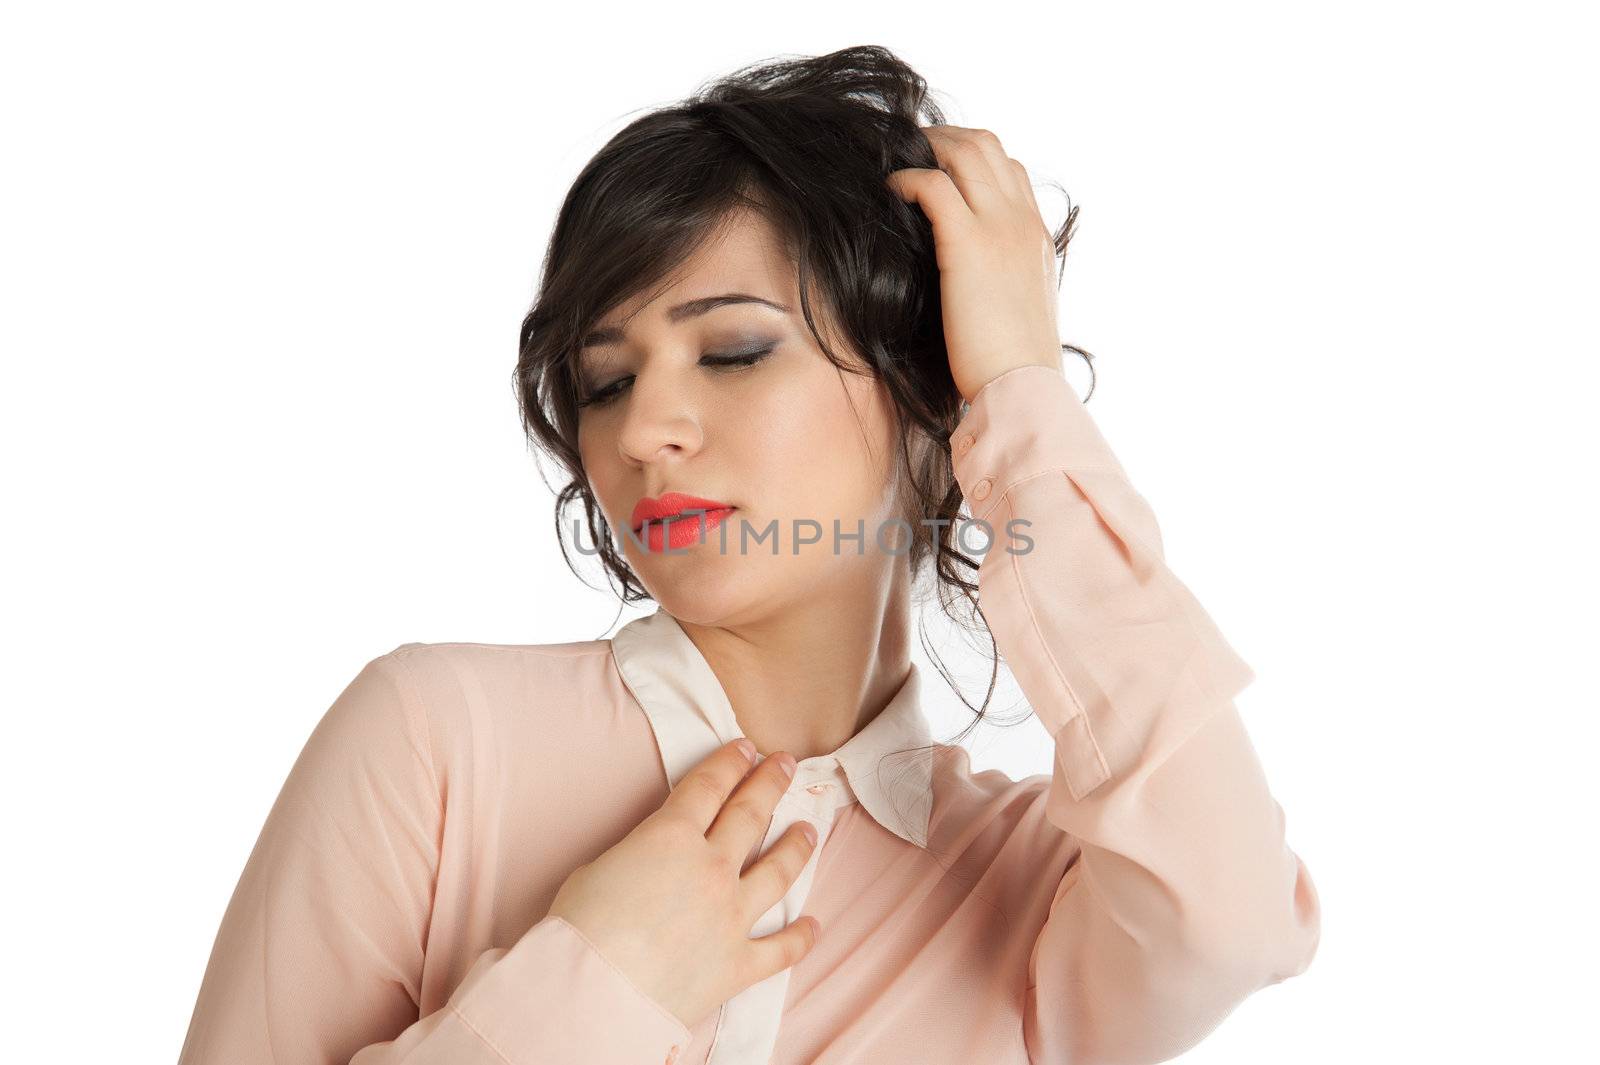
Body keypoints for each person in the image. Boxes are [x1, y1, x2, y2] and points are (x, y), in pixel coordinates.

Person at [177, 45, 1320, 1065]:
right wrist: (594, 987)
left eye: (731, 351)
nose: (641, 431)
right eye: (606, 381)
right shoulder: (435, 742)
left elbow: (1229, 918)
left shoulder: (1026, 893)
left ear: (929, 396)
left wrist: (1020, 389)